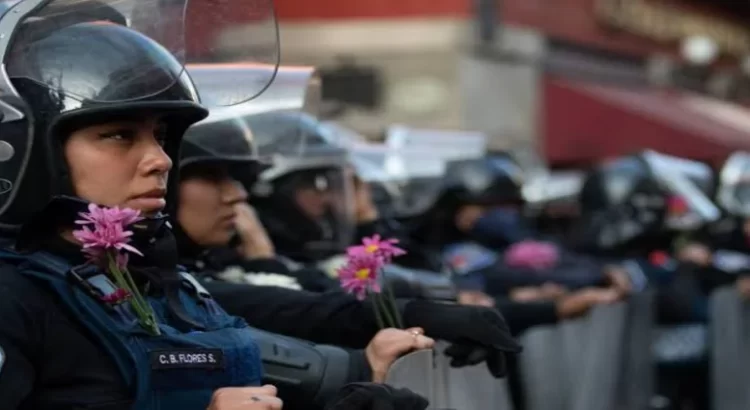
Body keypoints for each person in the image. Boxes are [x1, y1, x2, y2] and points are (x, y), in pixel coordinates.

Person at [0, 2, 433, 409]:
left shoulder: (151, 281)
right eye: (119, 135)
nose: (162, 160)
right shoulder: (15, 296)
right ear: (32, 149)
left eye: (162, 136)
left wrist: (357, 375)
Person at [174, 108, 522, 375]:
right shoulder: (151, 283)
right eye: (211, 176)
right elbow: (290, 310)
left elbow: (315, 302)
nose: (237, 195)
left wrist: (423, 310)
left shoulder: (213, 266)